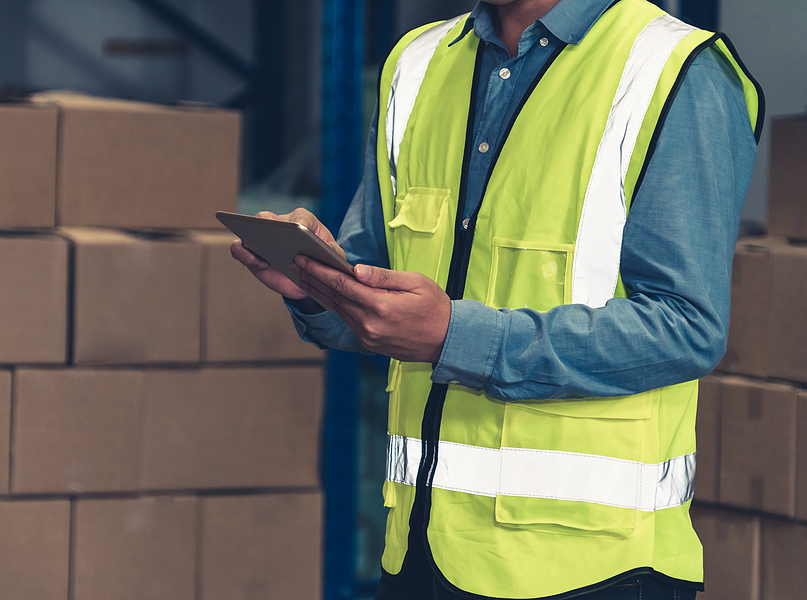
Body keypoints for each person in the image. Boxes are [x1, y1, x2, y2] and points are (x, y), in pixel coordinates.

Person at [232, 0, 764, 598]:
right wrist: (316, 283)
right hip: (418, 553)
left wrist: (454, 337)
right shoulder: (415, 63)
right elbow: (379, 294)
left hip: (594, 567)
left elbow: (687, 327)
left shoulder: (675, 70)